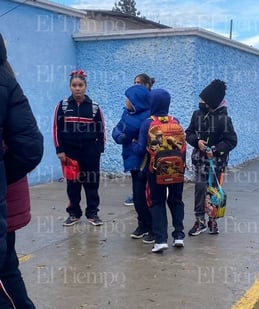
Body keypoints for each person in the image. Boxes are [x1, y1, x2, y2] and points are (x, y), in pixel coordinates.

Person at [0, 33, 43, 308]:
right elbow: (32, 145)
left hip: (9, 200)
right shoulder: (8, 83)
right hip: (7, 203)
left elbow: (28, 147)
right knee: (7, 269)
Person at [133, 88, 186, 253]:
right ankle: (178, 235)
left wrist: (134, 143)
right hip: (177, 169)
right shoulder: (175, 121)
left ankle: (161, 239)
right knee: (176, 201)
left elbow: (141, 149)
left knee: (157, 202)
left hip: (155, 170)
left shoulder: (147, 123)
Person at [53, 70, 106, 226]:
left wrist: (99, 149)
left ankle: (92, 213)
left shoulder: (94, 106)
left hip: (90, 151)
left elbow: (101, 128)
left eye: (80, 85)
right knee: (73, 184)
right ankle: (74, 213)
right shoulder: (62, 106)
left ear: (85, 87)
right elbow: (56, 128)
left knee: (91, 183)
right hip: (70, 153)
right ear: (70, 87)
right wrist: (59, 150)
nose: (77, 88)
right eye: (74, 85)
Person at [185, 79, 237, 236]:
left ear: (211, 102)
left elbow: (231, 141)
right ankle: (199, 220)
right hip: (200, 161)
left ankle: (213, 220)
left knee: (214, 192)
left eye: (203, 100)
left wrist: (214, 150)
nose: (200, 102)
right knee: (200, 189)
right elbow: (189, 133)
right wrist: (196, 141)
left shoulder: (224, 120)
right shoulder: (197, 115)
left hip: (216, 164)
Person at [112, 85, 154, 243]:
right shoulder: (126, 113)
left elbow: (131, 132)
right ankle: (142, 224)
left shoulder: (146, 118)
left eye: (129, 99)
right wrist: (120, 136)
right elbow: (116, 130)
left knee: (142, 196)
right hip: (131, 160)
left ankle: (151, 227)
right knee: (138, 197)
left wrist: (125, 135)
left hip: (143, 162)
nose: (126, 101)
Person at [123, 73, 156, 207]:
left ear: (147, 85)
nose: (136, 85)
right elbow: (120, 128)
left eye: (139, 83)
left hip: (144, 151)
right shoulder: (129, 109)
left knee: (144, 179)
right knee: (136, 178)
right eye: (135, 82)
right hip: (132, 151)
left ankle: (145, 200)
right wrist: (121, 135)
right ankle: (138, 196)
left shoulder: (152, 105)